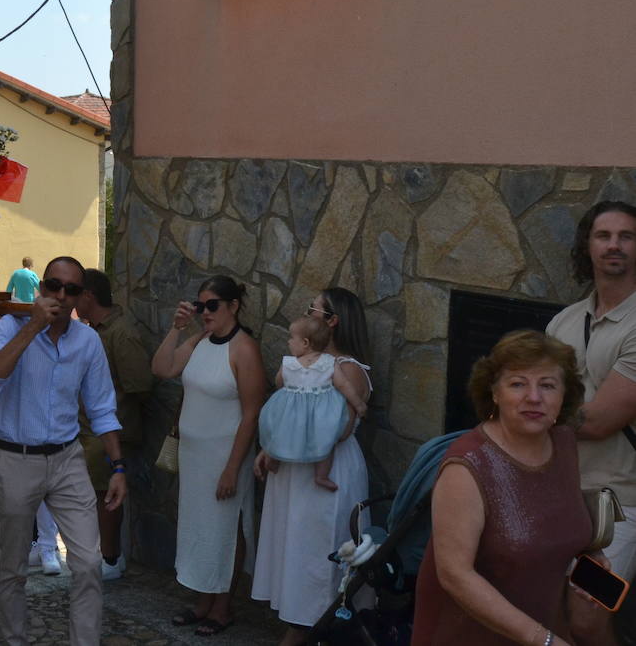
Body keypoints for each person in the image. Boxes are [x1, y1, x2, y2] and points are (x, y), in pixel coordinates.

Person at [0, 255, 127, 646]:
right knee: (12, 567)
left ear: (80, 297)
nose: (60, 295)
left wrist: (119, 467)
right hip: (14, 457)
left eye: (71, 290)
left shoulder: (87, 340)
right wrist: (34, 327)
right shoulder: (11, 326)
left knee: (89, 563)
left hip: (66, 458)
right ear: (40, 287)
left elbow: (102, 408)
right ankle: (14, 639)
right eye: (53, 286)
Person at [411, 330, 592, 646]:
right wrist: (541, 639)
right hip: (468, 635)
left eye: (547, 385)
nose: (534, 397)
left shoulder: (563, 441)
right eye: (518, 383)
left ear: (564, 394)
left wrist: (588, 548)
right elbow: (455, 575)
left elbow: (554, 515)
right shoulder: (467, 465)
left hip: (542, 625)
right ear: (494, 392)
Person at [250, 287, 373, 646]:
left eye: (312, 309)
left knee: (318, 546)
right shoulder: (301, 365)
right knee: (296, 544)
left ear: (331, 322)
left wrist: (289, 440)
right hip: (294, 465)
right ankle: (299, 624)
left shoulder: (348, 370)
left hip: (326, 468)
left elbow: (339, 427)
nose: (306, 314)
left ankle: (309, 629)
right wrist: (272, 446)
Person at [151, 275, 263, 637]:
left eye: (212, 305)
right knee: (200, 528)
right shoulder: (200, 340)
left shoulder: (244, 348)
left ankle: (223, 607)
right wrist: (178, 328)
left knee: (227, 530)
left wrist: (232, 468)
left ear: (233, 306)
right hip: (195, 456)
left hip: (225, 456)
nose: (205, 312)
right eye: (201, 305)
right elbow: (162, 368)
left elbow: (252, 412)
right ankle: (203, 600)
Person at [547, 200, 636, 646]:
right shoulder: (565, 321)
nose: (614, 245)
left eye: (626, 236)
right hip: (559, 493)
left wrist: (526, 412)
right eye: (604, 236)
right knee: (553, 612)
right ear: (588, 245)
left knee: (587, 613)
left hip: (618, 504)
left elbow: (602, 420)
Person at [75, 267, 152, 580]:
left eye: (76, 292)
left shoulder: (120, 332)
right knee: (92, 495)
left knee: (105, 495)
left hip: (108, 432)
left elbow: (141, 384)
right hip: (88, 429)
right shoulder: (93, 330)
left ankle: (109, 559)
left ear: (89, 296)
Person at [259, 315, 367, 492]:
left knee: (279, 430)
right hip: (320, 414)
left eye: (292, 338)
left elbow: (279, 382)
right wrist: (359, 404)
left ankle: (274, 460)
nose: (288, 342)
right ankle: (321, 475)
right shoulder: (329, 362)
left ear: (305, 343)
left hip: (292, 412)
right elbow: (343, 385)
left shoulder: (289, 363)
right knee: (326, 441)